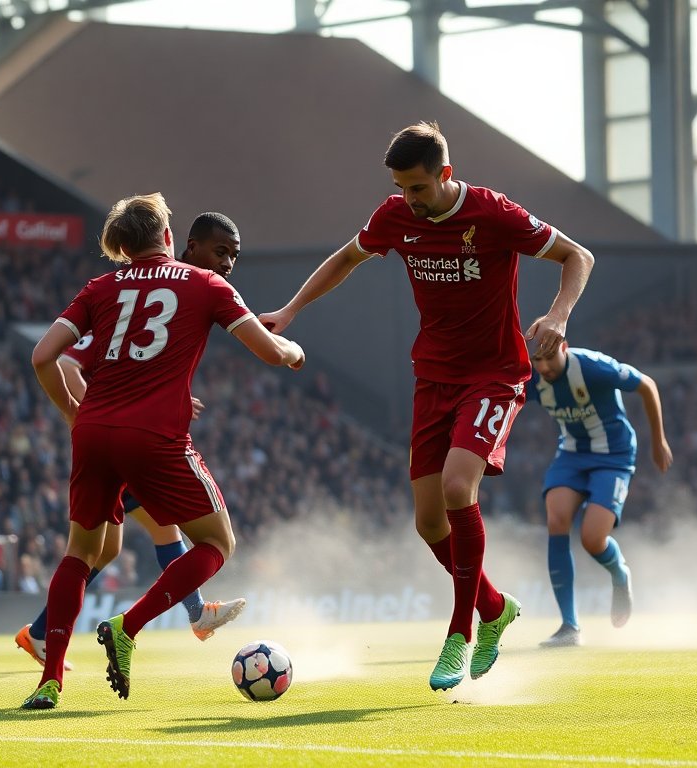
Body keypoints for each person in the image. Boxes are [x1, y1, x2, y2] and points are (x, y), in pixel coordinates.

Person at [259, 121, 593, 692]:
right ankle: (495, 607)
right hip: (433, 376)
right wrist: (289, 313)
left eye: (416, 187)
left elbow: (576, 256)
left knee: (459, 489)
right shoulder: (395, 216)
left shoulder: (492, 214)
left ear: (445, 174)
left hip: (492, 374)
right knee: (427, 520)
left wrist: (559, 316)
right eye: (400, 187)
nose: (407, 199)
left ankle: (460, 634)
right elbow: (344, 259)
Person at [20, 193, 304, 710]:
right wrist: (294, 350)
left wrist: (73, 415)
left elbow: (44, 356)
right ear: (171, 240)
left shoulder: (101, 286)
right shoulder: (206, 284)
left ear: (123, 247)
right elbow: (268, 350)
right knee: (217, 542)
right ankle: (129, 626)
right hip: (154, 438)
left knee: (79, 554)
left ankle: (50, 679)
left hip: (94, 431)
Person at [527, 342, 672, 647]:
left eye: (550, 358)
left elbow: (646, 385)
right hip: (571, 455)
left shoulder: (593, 366)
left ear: (563, 347)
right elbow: (503, 398)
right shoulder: (532, 378)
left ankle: (619, 573)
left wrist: (657, 441)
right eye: (537, 360)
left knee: (592, 539)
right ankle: (569, 626)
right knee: (556, 519)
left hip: (614, 456)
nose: (544, 368)